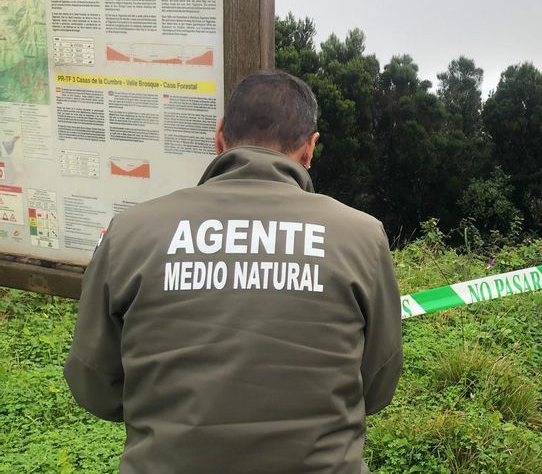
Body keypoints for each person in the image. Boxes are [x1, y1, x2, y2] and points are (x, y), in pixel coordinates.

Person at [64, 70, 403, 473]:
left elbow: (93, 382)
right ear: (310, 149)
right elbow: (378, 383)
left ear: (220, 137)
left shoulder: (132, 231)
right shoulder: (362, 237)